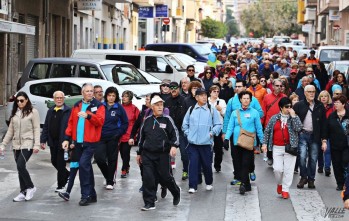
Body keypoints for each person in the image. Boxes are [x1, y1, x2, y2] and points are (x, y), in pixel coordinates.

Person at [62, 83, 105, 206]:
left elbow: (100, 121)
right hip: (78, 142)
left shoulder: (98, 106)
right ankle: (92, 195)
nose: (90, 93)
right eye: (87, 91)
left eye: (92, 91)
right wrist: (66, 139)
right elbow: (70, 123)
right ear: (82, 92)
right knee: (86, 168)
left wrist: (88, 116)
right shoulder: (77, 105)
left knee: (83, 165)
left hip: (91, 142)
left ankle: (85, 195)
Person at [137, 95, 181, 211]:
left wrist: (174, 146)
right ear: (152, 107)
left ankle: (176, 192)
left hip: (162, 154)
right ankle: (149, 202)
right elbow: (141, 138)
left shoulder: (167, 119)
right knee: (148, 178)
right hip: (147, 154)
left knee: (165, 177)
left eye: (161, 104)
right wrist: (139, 153)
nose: (160, 107)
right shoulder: (147, 121)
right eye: (157, 105)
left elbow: (175, 134)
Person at [0, 91, 40, 202]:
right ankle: (23, 191)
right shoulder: (15, 113)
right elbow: (10, 131)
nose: (19, 103)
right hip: (16, 145)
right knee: (19, 168)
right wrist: (3, 145)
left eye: (21, 100)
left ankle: (31, 187)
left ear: (26, 100)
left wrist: (36, 144)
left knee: (21, 165)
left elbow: (36, 129)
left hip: (28, 143)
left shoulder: (33, 112)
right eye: (17, 101)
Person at [223, 79, 263, 185]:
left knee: (247, 160)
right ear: (240, 99)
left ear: (245, 87)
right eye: (236, 86)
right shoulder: (232, 101)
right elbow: (228, 119)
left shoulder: (253, 101)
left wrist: (251, 116)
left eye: (240, 86)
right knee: (236, 158)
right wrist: (225, 135)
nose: (237, 88)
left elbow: (260, 115)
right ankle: (239, 177)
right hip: (236, 137)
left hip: (249, 137)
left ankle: (251, 170)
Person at [182, 88, 222, 193]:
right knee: (193, 164)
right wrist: (188, 134)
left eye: (205, 95)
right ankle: (192, 186)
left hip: (206, 143)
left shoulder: (211, 109)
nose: (204, 97)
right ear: (196, 97)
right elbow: (184, 124)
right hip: (193, 143)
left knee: (206, 165)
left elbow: (218, 124)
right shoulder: (191, 109)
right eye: (201, 95)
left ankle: (208, 182)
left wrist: (211, 133)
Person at [262, 97, 303, 199]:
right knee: (277, 169)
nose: (289, 108)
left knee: (289, 170)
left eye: (290, 106)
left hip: (290, 148)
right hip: (277, 147)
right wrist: (264, 144)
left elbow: (298, 128)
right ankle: (279, 183)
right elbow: (267, 131)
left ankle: (285, 189)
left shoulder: (294, 117)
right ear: (281, 107)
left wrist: (293, 116)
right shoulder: (274, 118)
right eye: (286, 107)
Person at [293, 85, 327, 189]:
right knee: (302, 157)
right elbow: (293, 120)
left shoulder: (320, 105)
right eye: (309, 91)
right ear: (305, 93)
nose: (312, 93)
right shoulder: (299, 105)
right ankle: (303, 177)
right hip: (302, 134)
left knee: (313, 158)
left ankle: (311, 179)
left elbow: (323, 124)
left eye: (313, 91)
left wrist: (324, 140)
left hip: (315, 135)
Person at [95, 87, 128, 189]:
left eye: (113, 96)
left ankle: (110, 181)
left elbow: (125, 122)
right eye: (109, 95)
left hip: (113, 137)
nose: (111, 97)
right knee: (99, 158)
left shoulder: (119, 108)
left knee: (112, 159)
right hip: (100, 137)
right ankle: (107, 175)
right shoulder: (101, 106)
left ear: (116, 97)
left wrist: (118, 133)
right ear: (106, 96)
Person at [40, 91, 71, 193]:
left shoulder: (68, 111)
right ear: (54, 99)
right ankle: (67, 174)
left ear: (63, 99)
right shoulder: (51, 110)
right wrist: (43, 140)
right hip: (52, 141)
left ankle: (61, 185)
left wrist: (69, 140)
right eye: (57, 98)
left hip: (63, 141)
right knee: (54, 161)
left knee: (61, 163)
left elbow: (71, 126)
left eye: (61, 98)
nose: (59, 100)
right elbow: (46, 126)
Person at [165, 81, 189, 180]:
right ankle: (168, 172)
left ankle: (185, 171)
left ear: (178, 89)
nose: (173, 90)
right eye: (171, 88)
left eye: (175, 88)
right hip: (170, 132)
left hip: (181, 131)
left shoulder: (184, 100)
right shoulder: (167, 101)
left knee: (184, 153)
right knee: (168, 154)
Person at [262, 79, 287, 165]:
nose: (279, 87)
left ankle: (279, 157)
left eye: (280, 86)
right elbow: (263, 111)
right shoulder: (267, 97)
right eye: (277, 85)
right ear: (272, 86)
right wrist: (262, 122)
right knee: (269, 141)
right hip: (269, 123)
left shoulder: (284, 97)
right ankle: (270, 156)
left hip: (281, 123)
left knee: (278, 141)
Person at [327, 95, 349, 191]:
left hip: (347, 145)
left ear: (343, 104)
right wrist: (324, 140)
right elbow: (327, 129)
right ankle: (340, 183)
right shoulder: (332, 116)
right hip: (335, 144)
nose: (335, 104)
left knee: (345, 161)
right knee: (336, 164)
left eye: (338, 102)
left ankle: (346, 182)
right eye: (334, 102)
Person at [120, 90, 140, 178]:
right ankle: (126, 165)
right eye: (123, 96)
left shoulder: (134, 108)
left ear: (130, 98)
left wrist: (135, 134)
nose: (124, 98)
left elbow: (138, 122)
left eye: (126, 96)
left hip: (129, 134)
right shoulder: (119, 107)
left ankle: (124, 169)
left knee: (126, 152)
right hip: (119, 134)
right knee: (121, 153)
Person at [208, 85, 227, 172]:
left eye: (217, 91)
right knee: (207, 148)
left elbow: (226, 115)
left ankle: (217, 165)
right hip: (207, 128)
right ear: (210, 92)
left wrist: (221, 110)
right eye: (214, 91)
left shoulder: (221, 102)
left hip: (219, 128)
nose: (216, 93)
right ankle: (206, 165)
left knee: (218, 149)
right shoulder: (206, 101)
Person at [317, 90, 333, 176]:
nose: (323, 98)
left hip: (329, 131)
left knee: (327, 150)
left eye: (325, 96)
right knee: (319, 150)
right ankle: (320, 166)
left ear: (328, 98)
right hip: (319, 131)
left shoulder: (332, 108)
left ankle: (327, 167)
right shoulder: (317, 107)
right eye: (322, 96)